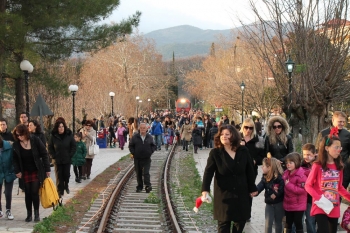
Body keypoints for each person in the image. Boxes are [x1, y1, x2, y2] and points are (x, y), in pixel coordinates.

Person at [201, 124, 258, 233]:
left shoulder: (243, 151)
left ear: (234, 136)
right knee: (223, 226)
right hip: (224, 195)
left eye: (227, 134)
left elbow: (250, 171)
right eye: (222, 134)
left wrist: (252, 188)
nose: (224, 136)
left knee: (239, 224)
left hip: (241, 195)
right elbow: (208, 172)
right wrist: (205, 190)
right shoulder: (215, 153)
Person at [305, 128, 350, 233]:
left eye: (340, 147)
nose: (339, 150)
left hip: (334, 207)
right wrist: (319, 198)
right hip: (320, 206)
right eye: (336, 147)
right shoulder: (317, 165)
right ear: (326, 148)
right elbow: (308, 185)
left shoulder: (340, 166)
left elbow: (339, 188)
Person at [12, 124, 50, 222]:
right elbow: (15, 159)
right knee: (27, 193)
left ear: (25, 133)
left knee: (34, 192)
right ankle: (29, 214)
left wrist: (47, 169)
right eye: (17, 135)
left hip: (36, 170)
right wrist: (17, 171)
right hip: (24, 171)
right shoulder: (16, 144)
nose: (19, 137)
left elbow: (44, 154)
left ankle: (36, 214)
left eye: (21, 135)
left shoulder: (35, 140)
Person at [317, 111, 350, 188]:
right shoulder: (323, 133)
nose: (342, 124)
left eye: (343, 122)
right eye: (339, 121)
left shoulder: (348, 135)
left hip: (342, 168)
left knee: (340, 191)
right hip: (326, 168)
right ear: (333, 120)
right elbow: (318, 150)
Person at [254, 157, 284, 233]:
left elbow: (282, 188)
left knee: (278, 223)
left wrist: (276, 194)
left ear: (269, 167)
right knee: (268, 223)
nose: (261, 167)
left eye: (263, 166)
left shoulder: (279, 177)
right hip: (269, 203)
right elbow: (260, 185)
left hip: (279, 203)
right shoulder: (265, 177)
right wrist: (256, 191)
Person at [48, 119, 76, 196]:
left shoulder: (69, 135)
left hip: (67, 159)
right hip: (57, 159)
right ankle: (60, 191)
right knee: (59, 176)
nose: (61, 128)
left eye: (62, 126)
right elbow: (50, 147)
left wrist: (70, 155)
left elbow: (73, 146)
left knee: (66, 175)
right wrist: (53, 155)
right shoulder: (53, 136)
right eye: (59, 127)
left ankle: (66, 185)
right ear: (57, 128)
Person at [282, 152, 307, 233]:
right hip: (288, 203)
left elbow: (303, 190)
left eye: (290, 163)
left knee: (298, 223)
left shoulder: (301, 175)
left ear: (296, 162)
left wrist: (289, 185)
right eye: (287, 163)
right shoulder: (286, 173)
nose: (288, 164)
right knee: (288, 223)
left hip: (298, 204)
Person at [129, 123, 157, 193]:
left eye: (144, 128)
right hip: (137, 158)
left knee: (146, 172)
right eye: (141, 128)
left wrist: (150, 152)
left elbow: (153, 146)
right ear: (139, 129)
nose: (142, 130)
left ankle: (148, 186)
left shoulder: (149, 137)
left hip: (146, 158)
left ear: (146, 129)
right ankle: (139, 186)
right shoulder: (135, 137)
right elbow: (131, 145)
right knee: (138, 173)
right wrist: (133, 152)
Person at [301, 143, 317, 233]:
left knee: (312, 221)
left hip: (314, 197)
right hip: (304, 197)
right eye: (304, 154)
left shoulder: (319, 164)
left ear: (315, 154)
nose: (306, 157)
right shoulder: (302, 164)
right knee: (306, 220)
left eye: (308, 155)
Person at [0, 136, 16, 220]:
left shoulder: (9, 146)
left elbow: (14, 159)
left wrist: (14, 170)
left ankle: (8, 210)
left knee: (7, 192)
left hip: (9, 171)